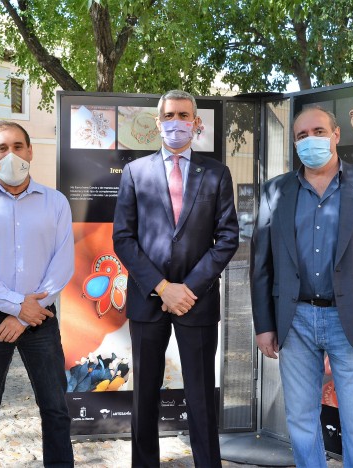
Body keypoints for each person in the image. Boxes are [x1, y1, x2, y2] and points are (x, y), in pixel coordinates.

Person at [250, 106, 353, 468]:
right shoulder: (276, 190)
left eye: (318, 131)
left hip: (351, 320)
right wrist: (264, 326)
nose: (310, 141)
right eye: (301, 136)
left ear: (336, 135)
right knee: (301, 422)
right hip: (295, 321)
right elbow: (262, 265)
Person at [112, 90, 239, 467]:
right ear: (157, 122)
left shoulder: (216, 173)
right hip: (148, 299)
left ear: (196, 122)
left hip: (196, 301)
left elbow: (227, 237)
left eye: (184, 114)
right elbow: (123, 237)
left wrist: (188, 288)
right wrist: (163, 287)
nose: (176, 121)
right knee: (144, 395)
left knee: (200, 396)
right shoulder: (136, 172)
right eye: (169, 114)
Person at [0, 121, 75, 468]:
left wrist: (24, 315)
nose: (12, 154)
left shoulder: (56, 202)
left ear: (31, 151)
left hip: (41, 320)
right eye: (3, 148)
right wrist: (17, 306)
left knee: (55, 408)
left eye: (19, 146)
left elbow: (62, 264)